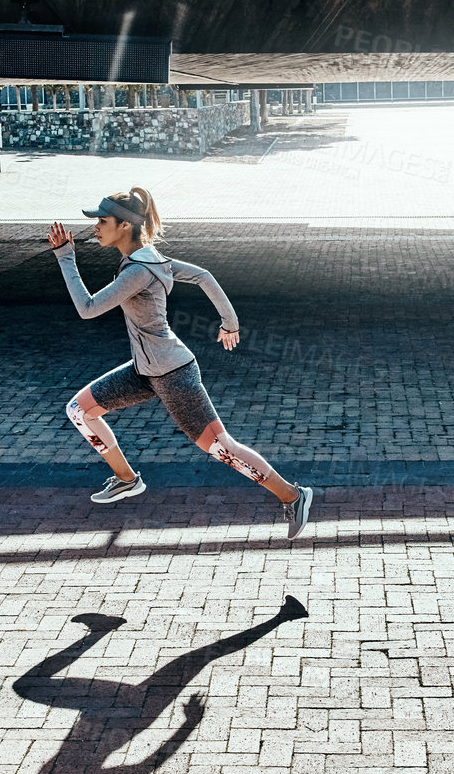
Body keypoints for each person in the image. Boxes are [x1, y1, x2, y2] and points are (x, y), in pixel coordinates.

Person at [49, 187, 314, 539]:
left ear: (125, 226)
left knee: (221, 447)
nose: (94, 227)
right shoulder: (149, 260)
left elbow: (88, 308)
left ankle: (294, 497)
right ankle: (127, 480)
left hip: (174, 375)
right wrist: (229, 322)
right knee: (80, 410)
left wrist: (66, 257)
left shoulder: (139, 270)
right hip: (144, 371)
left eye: (102, 221)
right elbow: (204, 276)